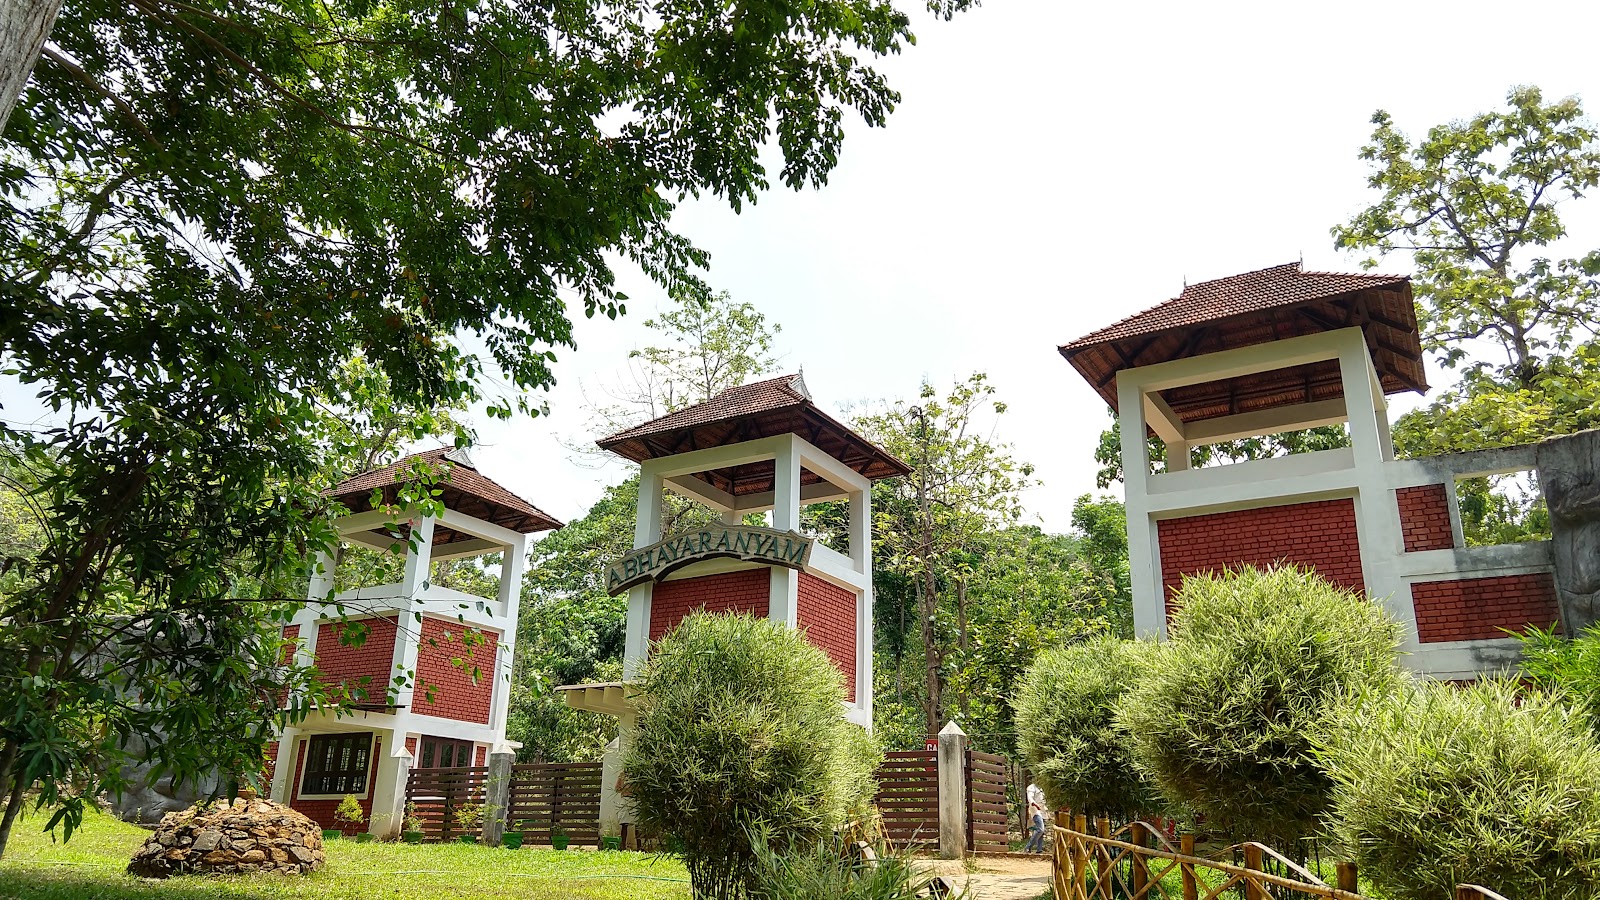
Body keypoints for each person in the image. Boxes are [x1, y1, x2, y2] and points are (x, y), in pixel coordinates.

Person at [1024, 781, 1047, 853]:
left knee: (1041, 832)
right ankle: (1028, 847)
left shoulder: (1042, 788)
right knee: (1040, 829)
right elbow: (1030, 798)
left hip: (1043, 811)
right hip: (1035, 810)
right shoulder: (1031, 787)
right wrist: (1035, 805)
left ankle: (1039, 849)